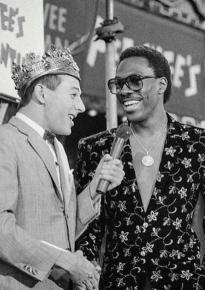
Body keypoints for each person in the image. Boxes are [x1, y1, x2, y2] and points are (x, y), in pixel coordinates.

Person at [76, 45, 205, 289]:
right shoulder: (96, 147)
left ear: (161, 85)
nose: (124, 91)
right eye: (118, 83)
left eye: (134, 81)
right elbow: (90, 227)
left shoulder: (200, 144)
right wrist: (87, 275)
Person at [0, 46, 124, 290]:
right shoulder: (6, 140)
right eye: (73, 94)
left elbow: (60, 231)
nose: (79, 106)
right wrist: (66, 261)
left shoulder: (57, 148)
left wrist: (94, 190)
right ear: (42, 93)